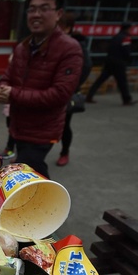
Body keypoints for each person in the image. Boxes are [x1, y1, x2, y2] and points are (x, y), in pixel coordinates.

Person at [0, 0, 83, 179]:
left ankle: (48, 206)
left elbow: (60, 95)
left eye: (44, 9)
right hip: (18, 126)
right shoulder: (23, 47)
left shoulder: (69, 49)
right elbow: (8, 76)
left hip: (42, 131)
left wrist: (13, 94)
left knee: (29, 174)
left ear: (58, 14)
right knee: (26, 173)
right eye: (32, 9)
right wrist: (1, 88)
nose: (36, 14)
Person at [56, 11, 92, 166]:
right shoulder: (51, 42)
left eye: (61, 27)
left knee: (64, 125)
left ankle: (65, 152)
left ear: (68, 28)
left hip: (66, 93)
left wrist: (71, 86)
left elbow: (86, 68)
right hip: (49, 92)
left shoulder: (76, 45)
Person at [85, 22, 138, 106]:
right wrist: (129, 60)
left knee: (101, 79)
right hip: (119, 63)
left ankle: (89, 96)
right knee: (122, 82)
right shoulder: (125, 38)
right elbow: (126, 51)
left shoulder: (116, 37)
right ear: (128, 28)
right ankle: (127, 99)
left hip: (109, 61)